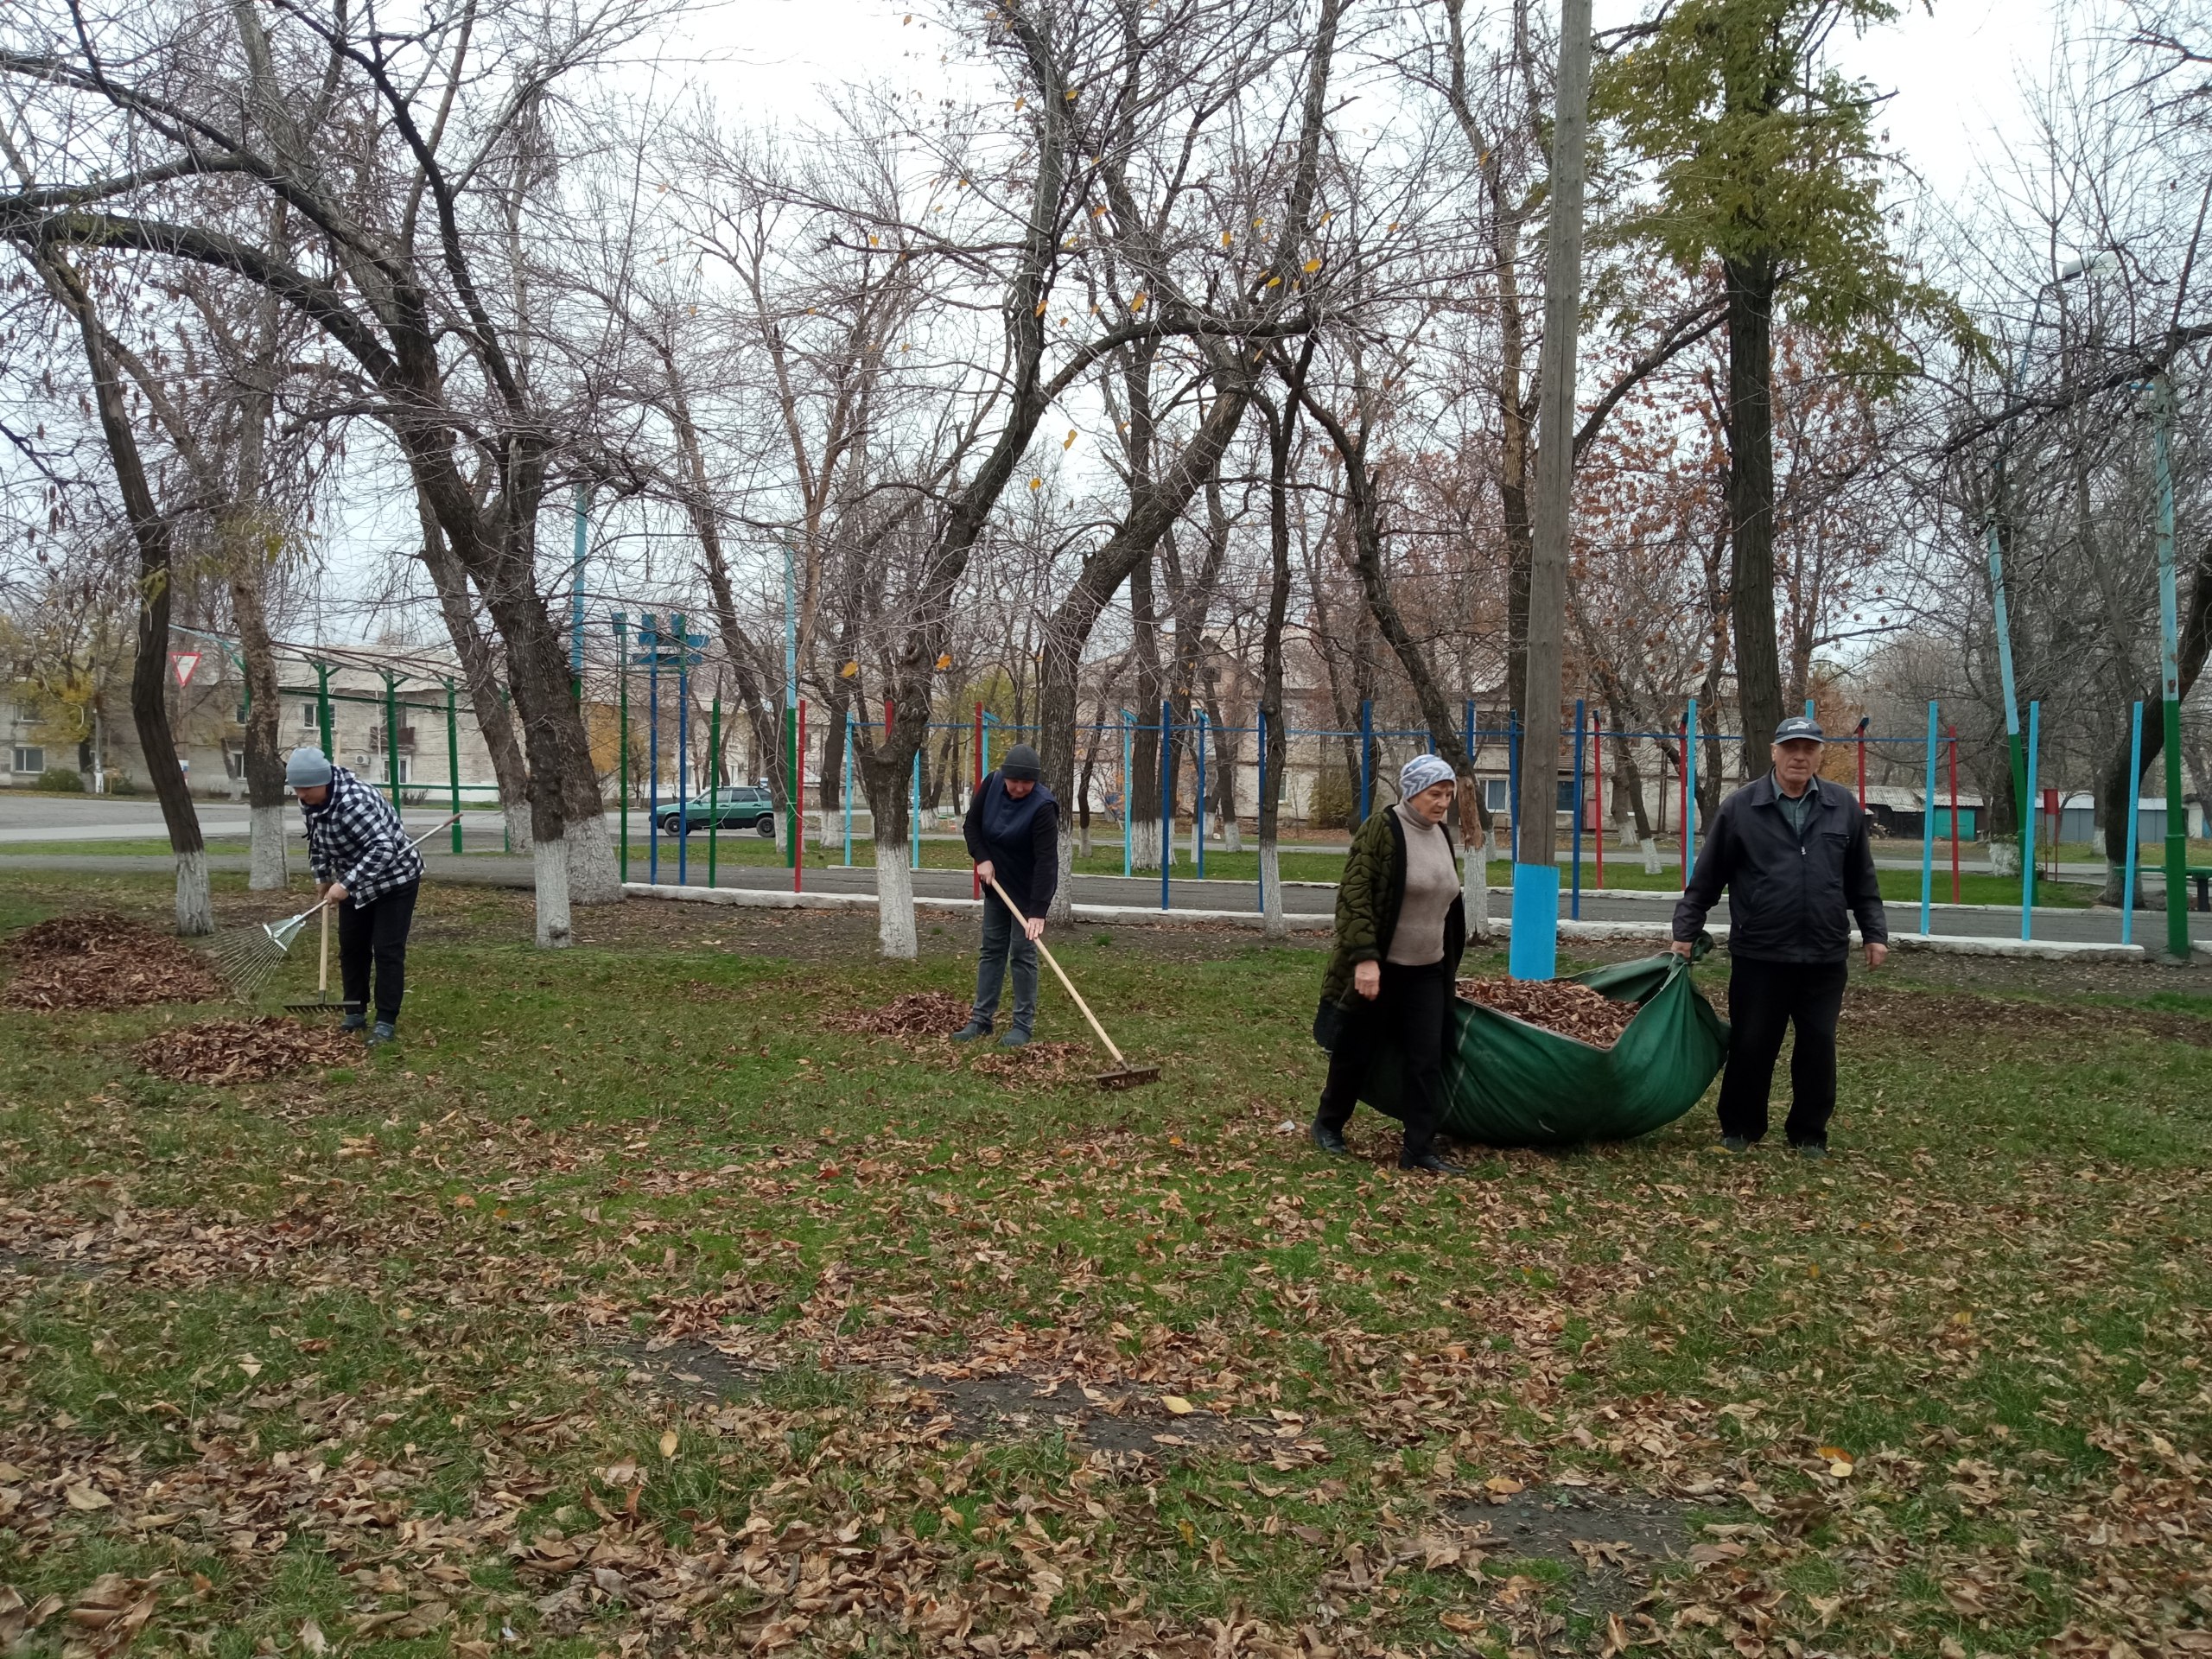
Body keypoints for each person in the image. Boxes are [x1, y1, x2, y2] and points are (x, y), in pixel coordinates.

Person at [1672, 716, 1889, 1159]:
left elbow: (1860, 879)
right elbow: (1707, 878)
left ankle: (1809, 1133)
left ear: (1820, 754)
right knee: (1753, 1043)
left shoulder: (1842, 806)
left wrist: (1874, 932)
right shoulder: (1741, 808)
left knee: (1817, 1045)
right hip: (1760, 953)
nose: (1800, 756)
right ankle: (1740, 1127)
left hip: (1824, 955)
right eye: (1792, 747)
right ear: (1774, 752)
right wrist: (1685, 931)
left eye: (1809, 748)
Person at [1312, 754, 1468, 1175]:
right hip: (1383, 969)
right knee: (1355, 1052)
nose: (1443, 803)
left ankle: (1418, 1148)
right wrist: (1365, 960)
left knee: (1426, 1059)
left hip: (1428, 970)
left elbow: (1448, 897)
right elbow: (1355, 899)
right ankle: (1328, 1125)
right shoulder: (1382, 830)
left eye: (1448, 795)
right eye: (1435, 794)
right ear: (1412, 792)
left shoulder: (1440, 834)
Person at [286, 747, 424, 1046]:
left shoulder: (355, 803)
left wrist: (345, 883)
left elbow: (384, 849)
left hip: (394, 879)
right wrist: (322, 877)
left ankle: (385, 1021)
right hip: (355, 879)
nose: (300, 795)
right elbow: (317, 839)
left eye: (305, 788)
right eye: (296, 788)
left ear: (322, 781)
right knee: (352, 948)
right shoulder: (311, 801)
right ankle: (354, 1011)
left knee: (387, 950)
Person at [956, 742, 1058, 1049]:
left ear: (1035, 782)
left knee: (1022, 954)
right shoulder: (992, 784)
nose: (1018, 788)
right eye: (1014, 782)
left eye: (1026, 783)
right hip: (997, 885)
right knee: (991, 950)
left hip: (1027, 893)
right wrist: (982, 857)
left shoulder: (1042, 806)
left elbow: (1046, 862)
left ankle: (1022, 1025)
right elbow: (971, 826)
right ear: (1005, 776)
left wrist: (1038, 910)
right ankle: (981, 1020)